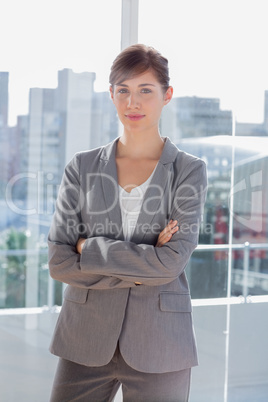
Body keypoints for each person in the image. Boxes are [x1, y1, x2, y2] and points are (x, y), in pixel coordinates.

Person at [48, 44, 207, 402]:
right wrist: (145, 260)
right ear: (111, 94)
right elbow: (59, 261)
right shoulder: (82, 166)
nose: (132, 103)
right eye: (123, 90)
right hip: (84, 339)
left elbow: (171, 263)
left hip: (161, 343)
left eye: (145, 91)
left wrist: (89, 248)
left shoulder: (188, 170)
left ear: (167, 95)